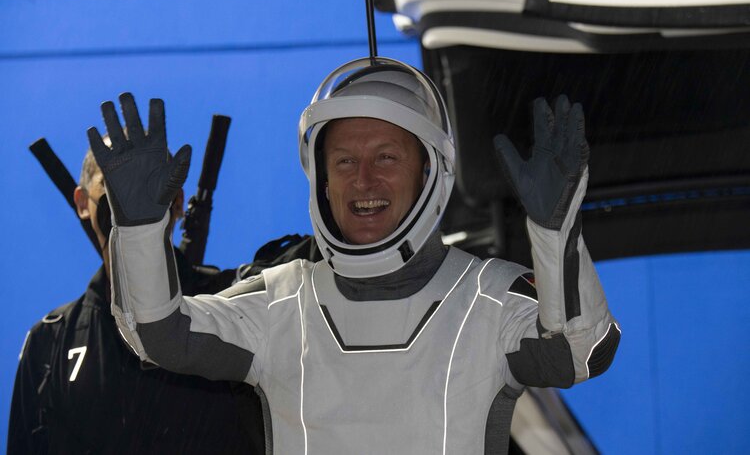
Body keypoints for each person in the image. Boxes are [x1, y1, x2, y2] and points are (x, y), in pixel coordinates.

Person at [87, 58, 621, 453]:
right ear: (320, 181)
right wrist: (137, 229)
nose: (363, 179)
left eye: (386, 156)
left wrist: (556, 232)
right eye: (343, 162)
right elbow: (157, 335)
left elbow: (581, 350)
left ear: (430, 174)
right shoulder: (279, 303)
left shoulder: (488, 297)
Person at [8, 106, 263, 453]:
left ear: (176, 203)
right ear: (83, 202)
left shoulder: (234, 305)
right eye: (113, 181)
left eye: (148, 182)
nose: (131, 197)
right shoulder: (49, 342)